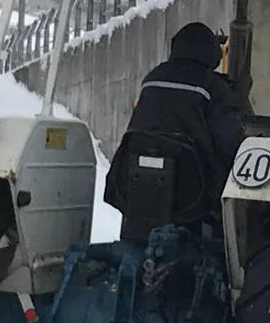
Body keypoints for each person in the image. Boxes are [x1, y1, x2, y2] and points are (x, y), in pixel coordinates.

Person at [104, 21, 245, 225]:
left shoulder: (152, 78)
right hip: (194, 195)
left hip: (137, 189)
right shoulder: (214, 88)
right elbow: (230, 146)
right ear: (212, 53)